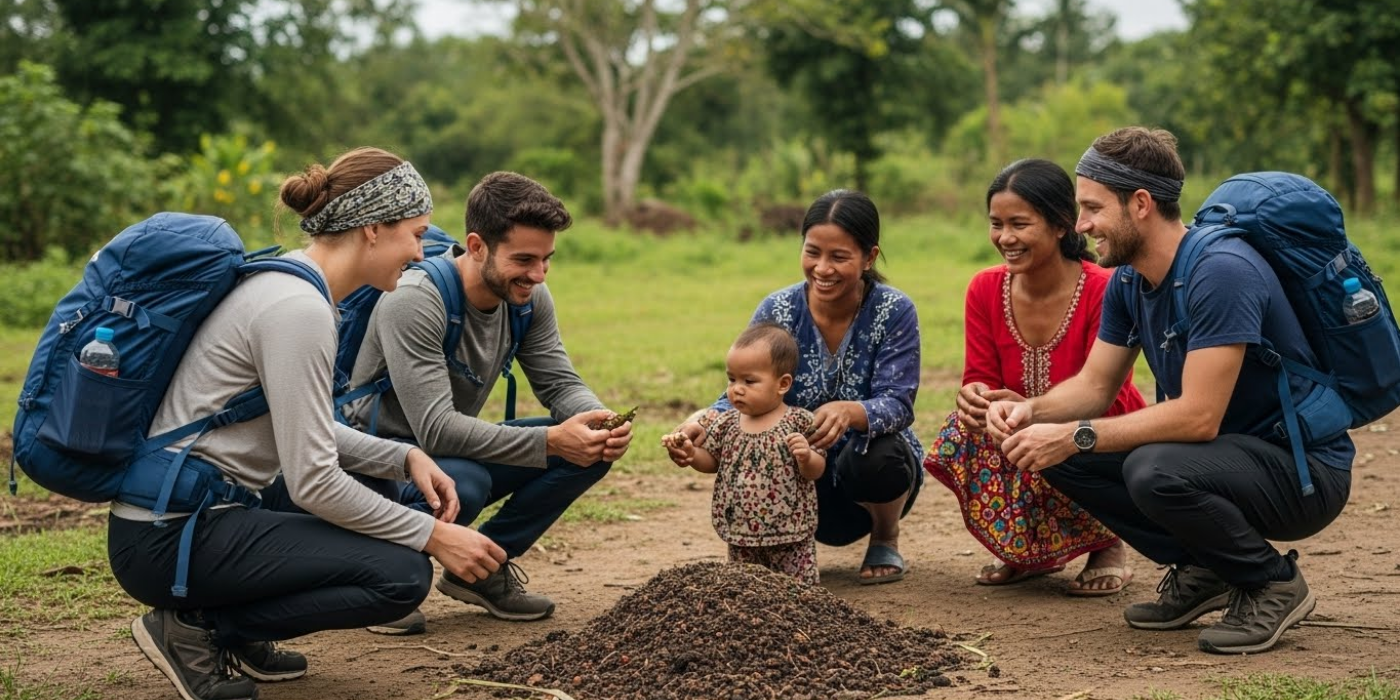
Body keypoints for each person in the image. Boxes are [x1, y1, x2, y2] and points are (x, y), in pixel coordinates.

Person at [111, 147, 508, 700]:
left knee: (392, 536)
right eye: (416, 235)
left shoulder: (289, 285)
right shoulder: (298, 309)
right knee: (401, 574)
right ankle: (198, 630)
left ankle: (233, 627)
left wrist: (404, 456)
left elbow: (305, 426)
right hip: (172, 536)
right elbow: (313, 480)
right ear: (373, 229)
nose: (421, 255)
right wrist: (436, 535)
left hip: (181, 517)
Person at [986, 127, 1352, 654]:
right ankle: (1207, 567)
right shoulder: (1131, 279)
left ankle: (1271, 581)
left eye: (1091, 208)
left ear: (1139, 204)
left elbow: (1198, 418)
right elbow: (1094, 385)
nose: (1081, 225)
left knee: (1149, 468)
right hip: (1219, 461)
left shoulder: (1220, 271)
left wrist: (1077, 434)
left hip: (1302, 471)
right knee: (1054, 449)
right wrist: (1029, 411)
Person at [342, 171, 633, 633]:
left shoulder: (527, 297)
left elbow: (559, 381)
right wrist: (553, 441)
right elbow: (436, 430)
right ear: (476, 247)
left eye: (546, 260)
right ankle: (382, 575)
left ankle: (477, 570)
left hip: (446, 454)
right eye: (524, 259)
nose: (537, 275)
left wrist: (598, 421)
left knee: (587, 451)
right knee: (468, 482)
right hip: (381, 461)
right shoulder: (416, 299)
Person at [665, 189, 923, 584]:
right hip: (795, 479)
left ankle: (885, 534)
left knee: (878, 452)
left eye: (839, 256)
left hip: (868, 477)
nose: (822, 268)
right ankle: (782, 548)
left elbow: (899, 404)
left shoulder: (894, 310)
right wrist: (701, 420)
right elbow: (744, 386)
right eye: (812, 252)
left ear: (869, 257)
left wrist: (849, 411)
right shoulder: (778, 309)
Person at [924, 159, 1146, 595]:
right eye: (996, 224)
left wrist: (1038, 414)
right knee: (965, 427)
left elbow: (1106, 393)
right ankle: (1023, 552)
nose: (1005, 237)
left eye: (1019, 224)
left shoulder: (1105, 287)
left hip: (1094, 424)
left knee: (1065, 436)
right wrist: (976, 397)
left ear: (1063, 224)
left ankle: (1107, 544)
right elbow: (980, 374)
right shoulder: (985, 289)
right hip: (1020, 423)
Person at [664, 322, 827, 585]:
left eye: (749, 381)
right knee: (745, 589)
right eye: (732, 379)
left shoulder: (798, 422)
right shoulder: (727, 423)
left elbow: (816, 470)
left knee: (798, 590)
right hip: (740, 531)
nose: (737, 388)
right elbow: (712, 462)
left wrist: (806, 456)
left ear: (783, 384)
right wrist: (691, 453)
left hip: (790, 531)